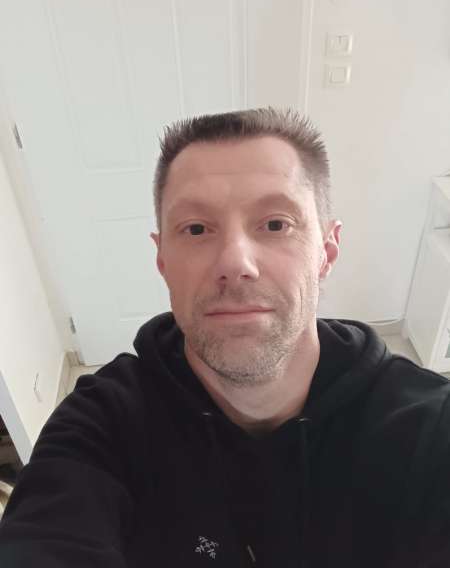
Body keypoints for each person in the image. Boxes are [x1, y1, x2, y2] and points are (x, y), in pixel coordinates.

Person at [0, 107, 449, 568]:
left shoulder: (430, 429)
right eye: (196, 229)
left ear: (326, 252)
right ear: (162, 260)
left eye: (276, 224)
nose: (235, 263)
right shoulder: (100, 427)